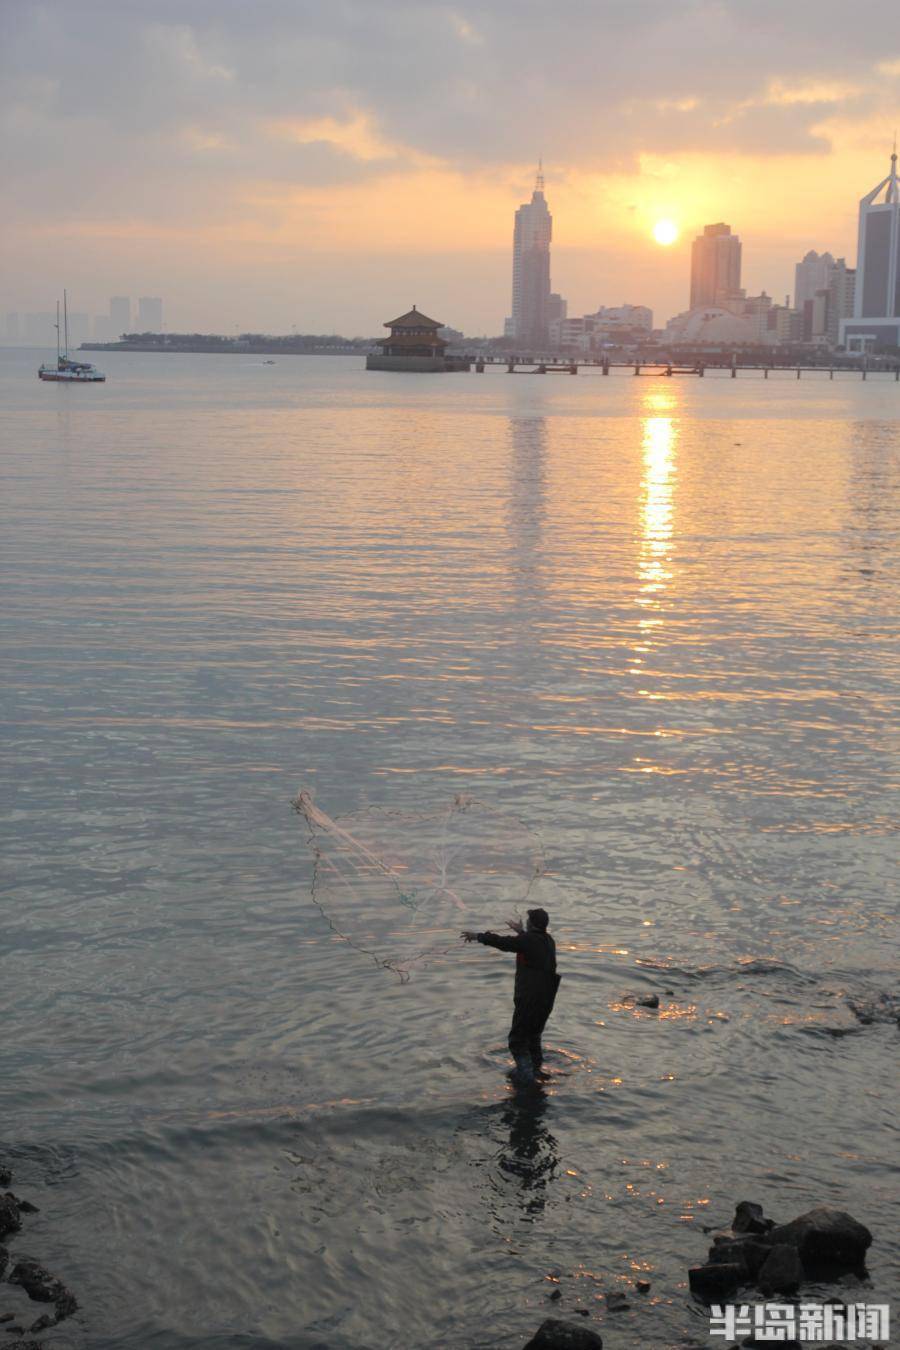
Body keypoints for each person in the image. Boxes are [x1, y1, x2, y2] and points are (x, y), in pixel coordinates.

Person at [461, 908, 560, 1084]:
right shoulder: (548, 941)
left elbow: (503, 942)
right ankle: (536, 1071)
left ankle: (526, 1077)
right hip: (546, 999)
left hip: (530, 998)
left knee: (517, 1040)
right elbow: (527, 943)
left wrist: (478, 936)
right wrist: (521, 932)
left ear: (532, 924)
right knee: (534, 1037)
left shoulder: (527, 941)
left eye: (529, 920)